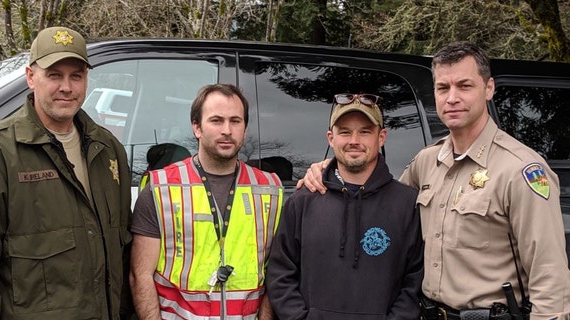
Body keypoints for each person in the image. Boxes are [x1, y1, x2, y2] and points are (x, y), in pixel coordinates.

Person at [300, 41, 570, 319]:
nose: (452, 97)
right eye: (443, 88)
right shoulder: (426, 163)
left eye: (464, 86)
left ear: (489, 88)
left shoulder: (520, 169)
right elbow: (377, 201)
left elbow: (550, 276)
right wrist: (330, 169)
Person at [0, 26, 133, 319]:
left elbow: (122, 260)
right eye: (54, 75)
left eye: (76, 76)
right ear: (31, 77)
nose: (66, 87)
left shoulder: (108, 151)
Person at [129, 83, 283, 319]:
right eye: (216, 120)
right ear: (197, 127)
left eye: (235, 121)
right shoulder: (161, 189)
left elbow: (277, 273)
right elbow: (140, 276)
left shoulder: (269, 191)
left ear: (245, 128)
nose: (227, 130)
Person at [266, 93, 423, 319]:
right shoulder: (303, 201)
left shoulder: (407, 204)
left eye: (365, 131)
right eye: (345, 132)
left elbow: (414, 280)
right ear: (331, 138)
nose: (354, 141)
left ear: (381, 137)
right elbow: (281, 274)